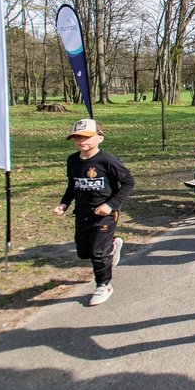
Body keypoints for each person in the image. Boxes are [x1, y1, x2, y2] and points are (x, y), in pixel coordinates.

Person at [53, 119, 135, 306]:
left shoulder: (108, 161)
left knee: (98, 253)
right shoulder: (72, 160)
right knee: (84, 252)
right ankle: (112, 247)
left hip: (105, 213)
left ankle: (103, 285)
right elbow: (72, 185)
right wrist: (64, 204)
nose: (82, 141)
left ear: (100, 138)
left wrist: (111, 205)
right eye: (77, 137)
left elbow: (129, 182)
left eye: (87, 137)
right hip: (83, 212)